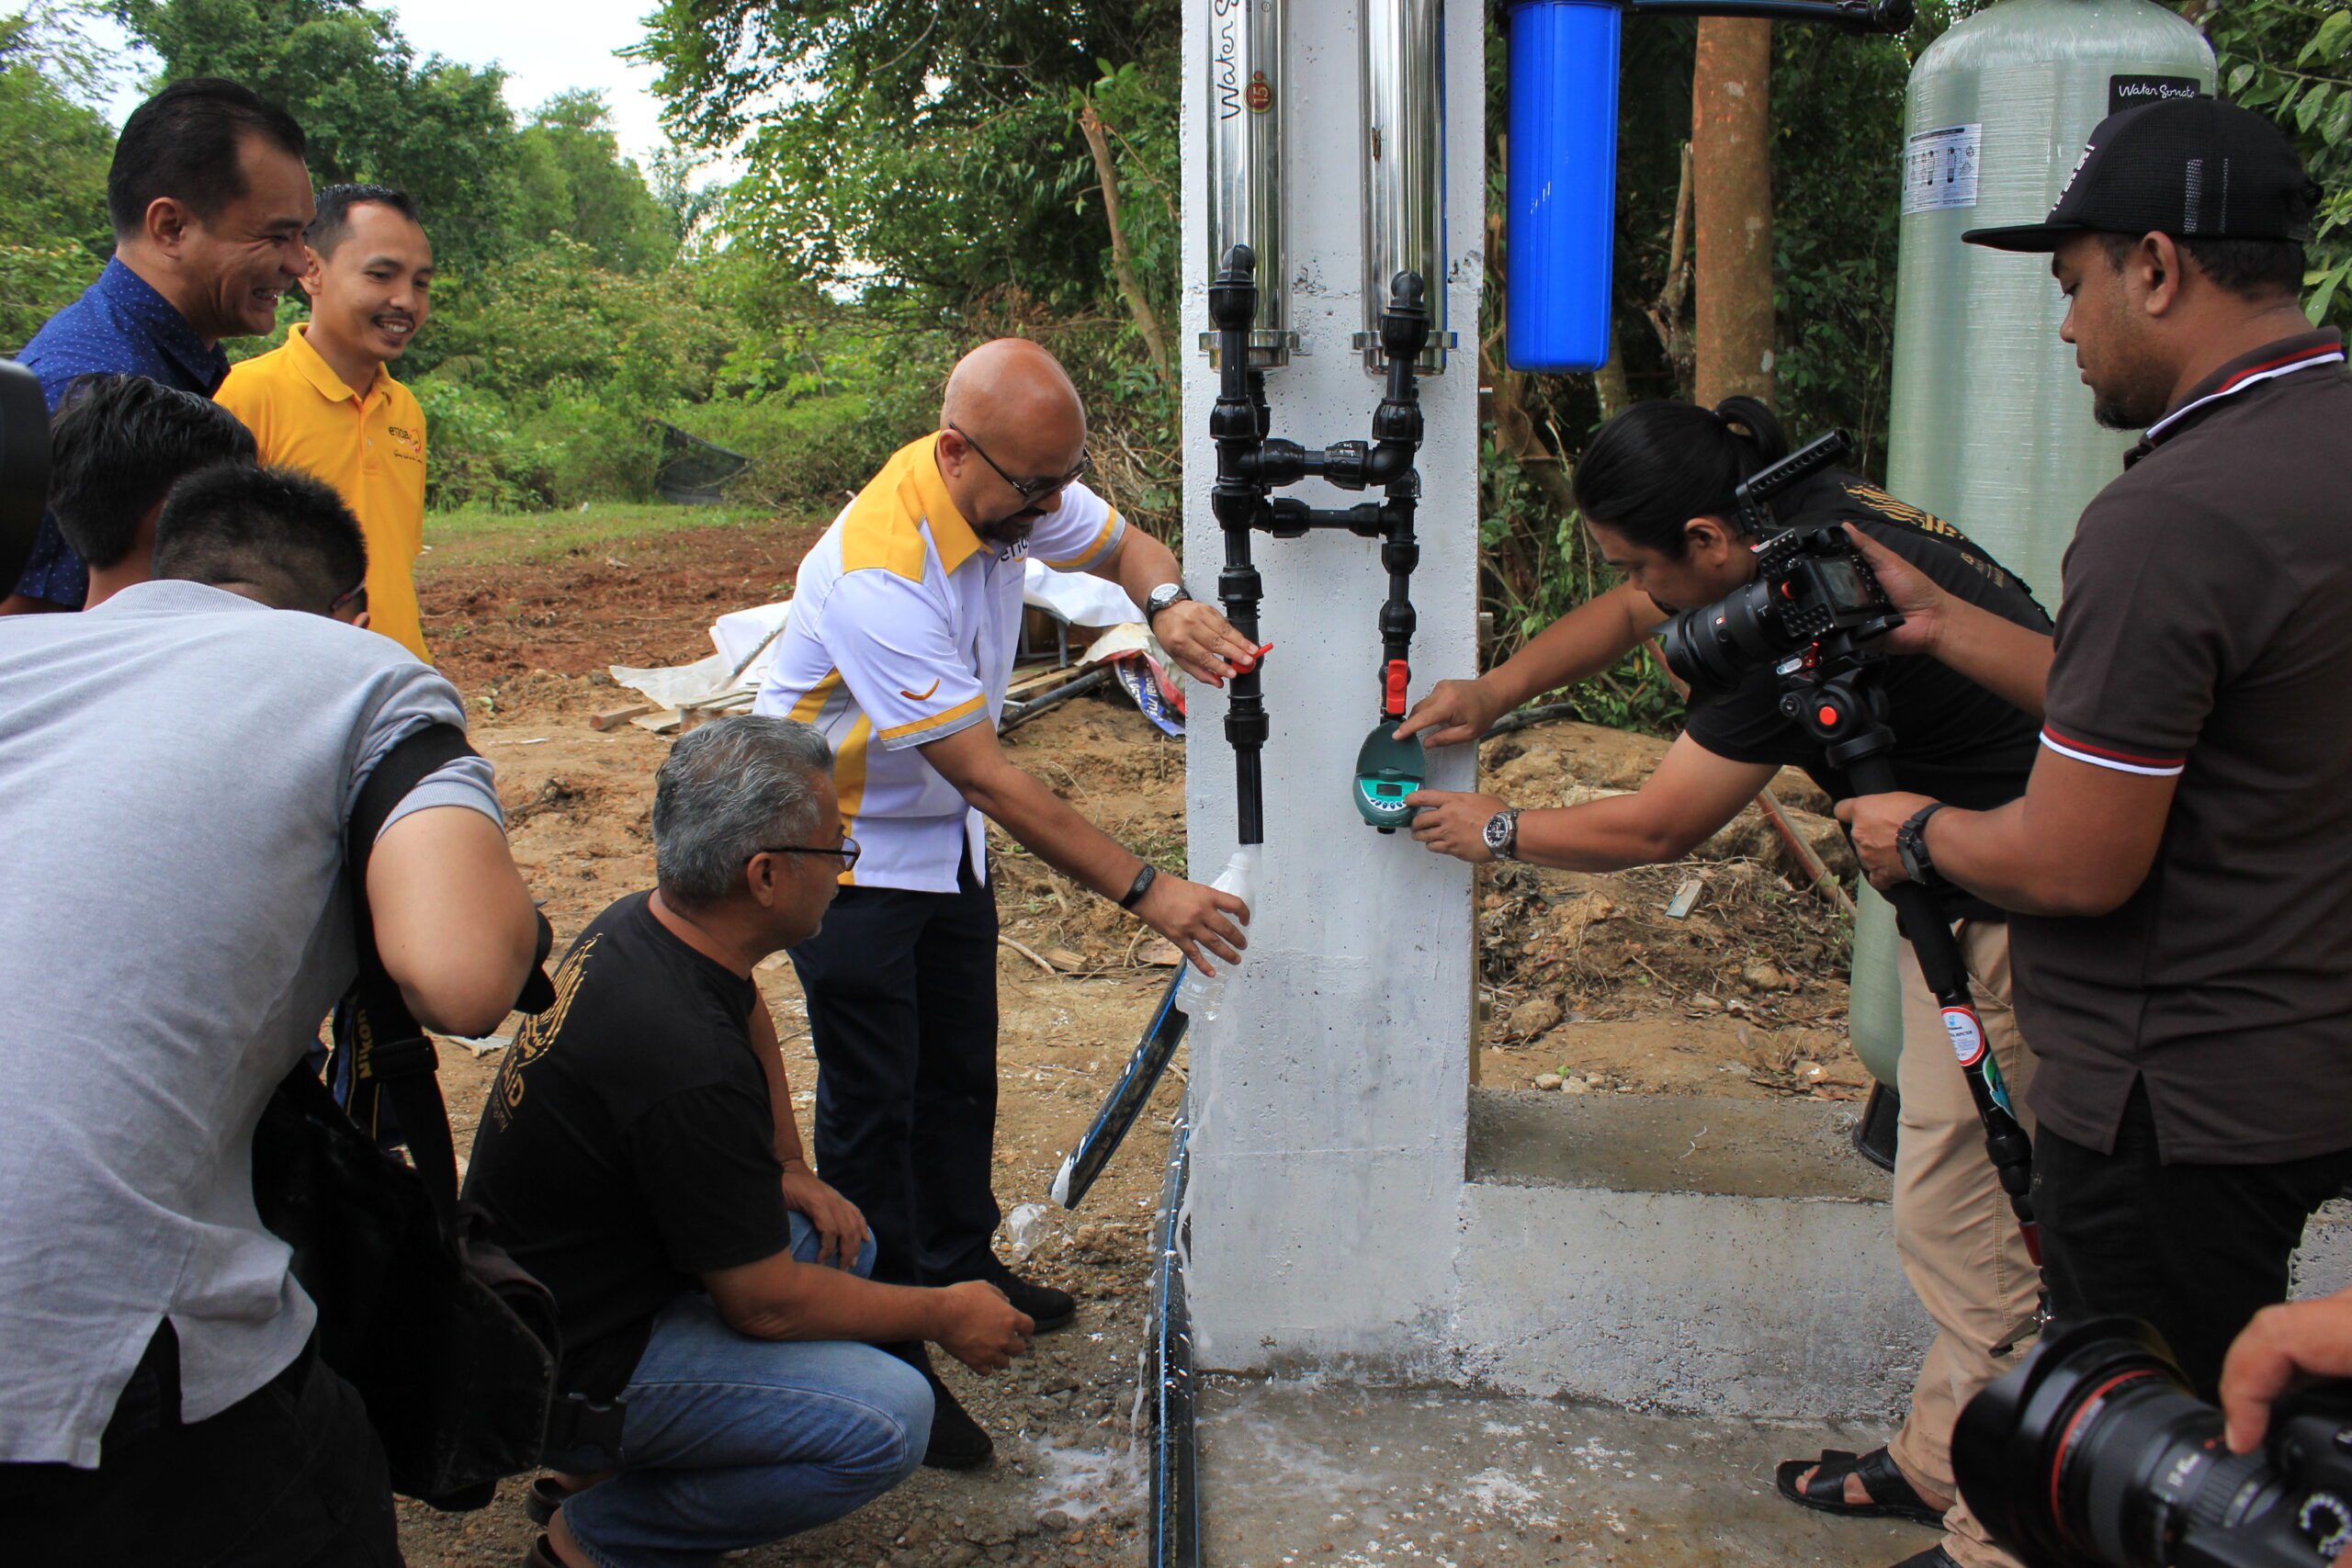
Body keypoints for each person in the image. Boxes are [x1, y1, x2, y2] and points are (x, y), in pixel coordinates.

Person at [1398, 396, 2052, 1568]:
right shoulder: (1781, 507)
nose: (1633, 589)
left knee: (1975, 1226)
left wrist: (1498, 829)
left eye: (1638, 559)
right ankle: (1938, 1458)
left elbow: (1659, 828)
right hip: (1965, 874)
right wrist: (1492, 694)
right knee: (1956, 1204)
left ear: (1706, 541)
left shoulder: (1784, 628)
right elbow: (1634, 607)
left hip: (2018, 909)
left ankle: (1999, 1532)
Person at [1840, 97, 2352, 1411]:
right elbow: (2203, 711)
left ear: (2158, 266)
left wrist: (1916, 835)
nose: (2066, 327)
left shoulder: (2170, 512)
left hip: (2164, 1100)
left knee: (2151, 1460)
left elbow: (2073, 861)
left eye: (2073, 286)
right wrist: (1945, 624)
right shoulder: (2318, 449)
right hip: (2307, 1055)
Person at [0, 461, 540, 1564]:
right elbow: (465, 978)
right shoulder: (363, 675)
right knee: (323, 1477)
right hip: (71, 1327)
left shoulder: (22, 653)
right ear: (353, 610)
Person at [754, 337, 1257, 1464]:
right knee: (875, 1105)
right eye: (1034, 489)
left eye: (1058, 484)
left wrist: (1165, 602)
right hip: (839, 854)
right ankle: (889, 1351)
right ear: (954, 453)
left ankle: (958, 1259)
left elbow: (1121, 545)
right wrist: (1148, 890)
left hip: (940, 842)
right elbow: (986, 772)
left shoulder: (1013, 492)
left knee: (959, 1072)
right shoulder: (880, 571)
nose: (1048, 511)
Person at [463, 716, 1035, 1568]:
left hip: (563, 1286)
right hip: (558, 1360)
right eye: (836, 849)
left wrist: (788, 1162)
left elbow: (746, 1003)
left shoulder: (648, 925)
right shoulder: (685, 1060)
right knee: (891, 1416)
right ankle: (593, 1534)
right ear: (764, 875)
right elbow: (763, 1304)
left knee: (842, 1241)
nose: (846, 867)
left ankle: (602, 1460)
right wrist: (943, 1310)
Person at [6, 77, 312, 615]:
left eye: (304, 235)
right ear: (171, 227)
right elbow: (29, 636)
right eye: (276, 236)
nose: (299, 262)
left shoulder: (160, 366)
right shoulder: (86, 391)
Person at [216, 184, 434, 659]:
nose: (406, 301)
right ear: (311, 270)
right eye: (381, 275)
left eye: (421, 283)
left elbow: (394, 560)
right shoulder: (245, 397)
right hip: (305, 678)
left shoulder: (405, 411)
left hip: (398, 674)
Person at [47, 373, 260, 608]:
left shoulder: (24, 630)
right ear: (178, 514)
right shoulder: (260, 626)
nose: (252, 523)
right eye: (237, 501)